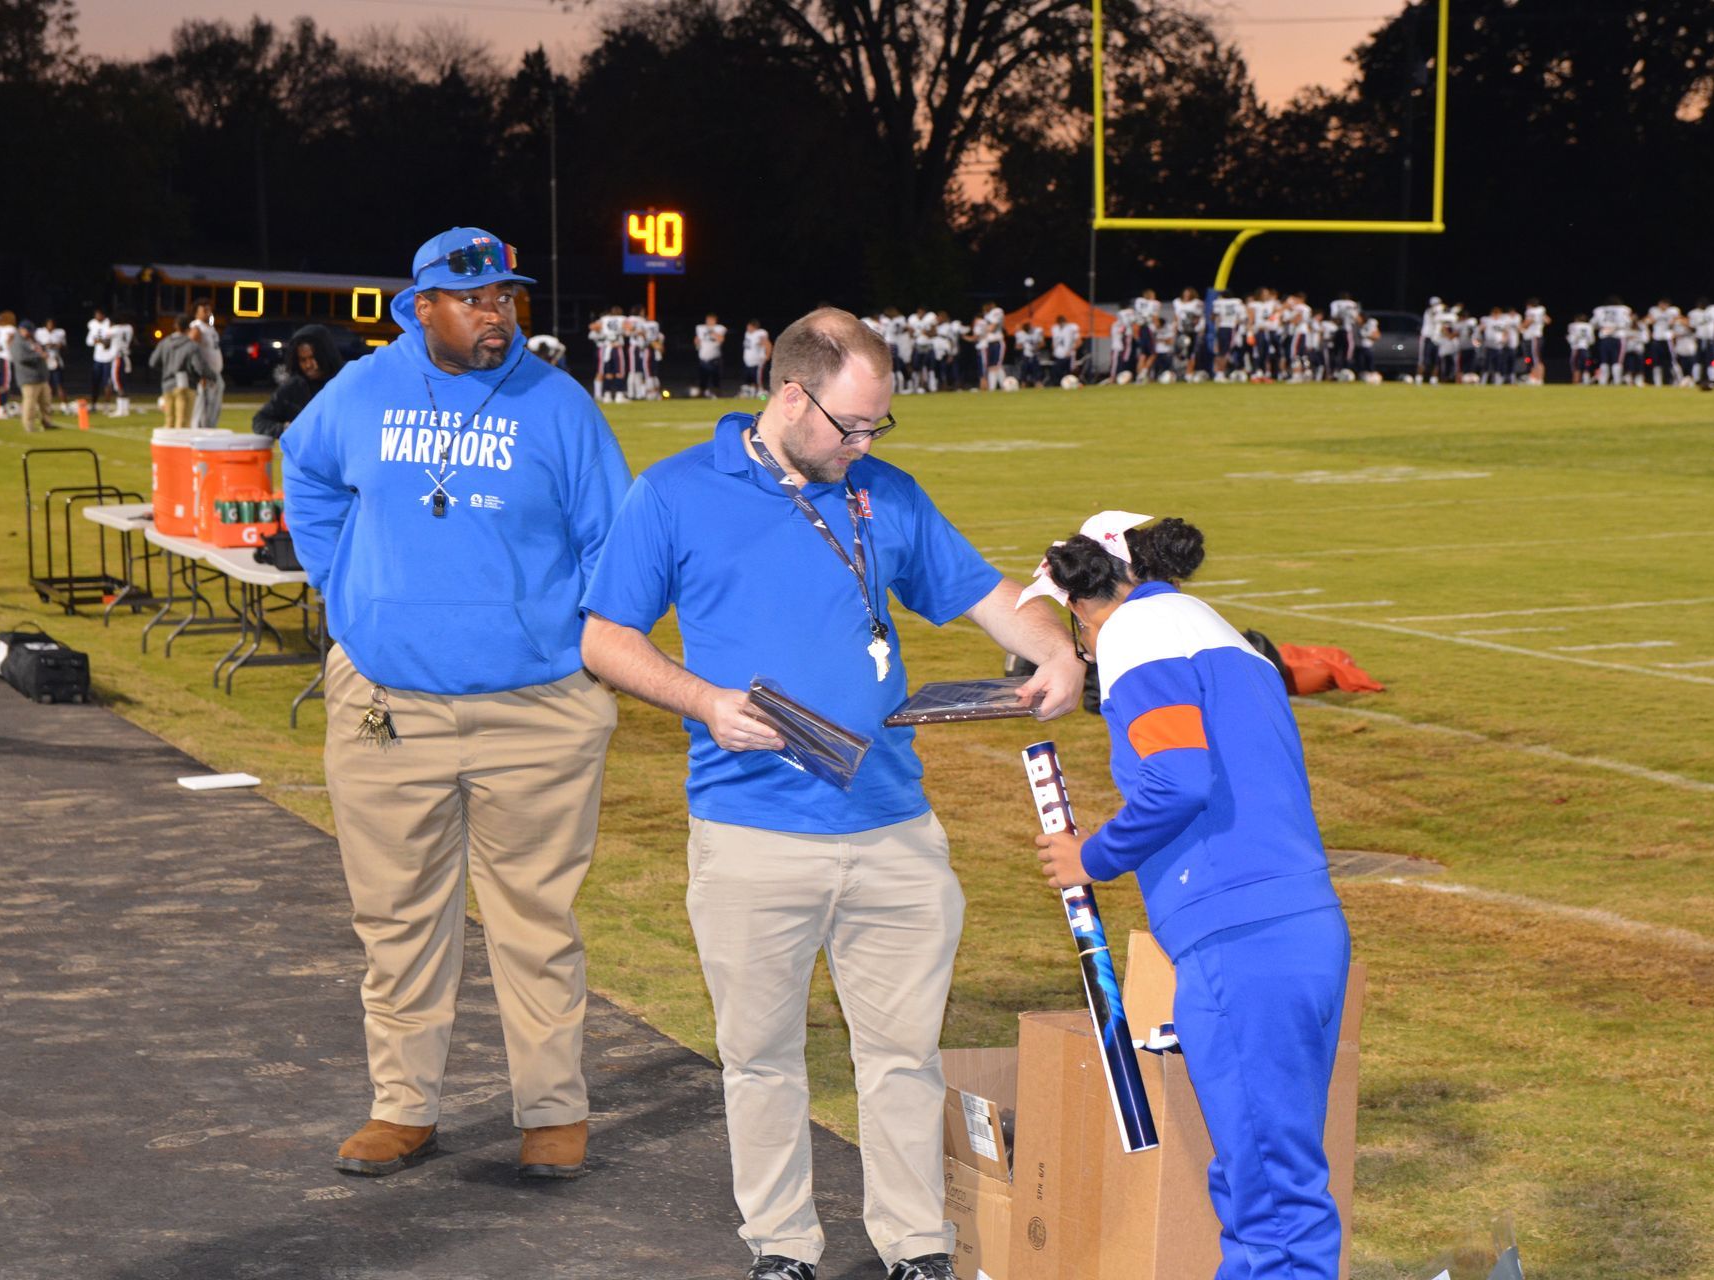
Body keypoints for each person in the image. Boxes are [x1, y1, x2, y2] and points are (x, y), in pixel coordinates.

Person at [579, 307, 1085, 1280]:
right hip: (751, 830)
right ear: (790, 394)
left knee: (904, 1055)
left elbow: (988, 595)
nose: (864, 444)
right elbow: (605, 637)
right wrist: (704, 702)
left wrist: (1054, 647)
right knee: (761, 1057)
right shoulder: (675, 492)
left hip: (895, 828)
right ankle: (781, 1247)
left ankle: (918, 1246)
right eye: (850, 425)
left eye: (877, 425)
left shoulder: (883, 491)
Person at [280, 226, 629, 1182]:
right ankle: (403, 1107)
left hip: (537, 707)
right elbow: (306, 472)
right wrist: (343, 588)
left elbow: (614, 541)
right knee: (396, 917)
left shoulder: (558, 404)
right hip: (388, 702)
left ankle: (553, 1110)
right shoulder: (361, 388)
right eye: (474, 300)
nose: (495, 314)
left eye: (505, 297)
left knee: (536, 922)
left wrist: (589, 647)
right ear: (423, 305)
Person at [1020, 511, 1351, 1280]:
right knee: (1257, 1179)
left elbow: (1177, 781)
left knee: (1272, 1202)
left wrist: (1089, 857)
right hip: (1289, 922)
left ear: (1082, 600)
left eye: (1074, 625)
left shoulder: (1137, 635)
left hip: (1240, 936)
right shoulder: (1209, 627)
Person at [251, 324, 344, 438]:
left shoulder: (344, 383)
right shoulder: (292, 388)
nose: (308, 365)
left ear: (326, 354)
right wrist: (285, 429)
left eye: (313, 357)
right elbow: (259, 421)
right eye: (303, 360)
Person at [147, 314, 203, 430]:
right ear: (188, 328)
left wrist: (167, 369)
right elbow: (198, 367)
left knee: (169, 422)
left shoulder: (165, 342)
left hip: (167, 384)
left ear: (175, 326)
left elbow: (153, 362)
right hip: (185, 385)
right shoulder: (191, 345)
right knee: (183, 423)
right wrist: (205, 376)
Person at [9, 319, 60, 432]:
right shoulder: (17, 343)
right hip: (29, 378)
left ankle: (47, 422)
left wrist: (43, 351)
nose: (30, 333)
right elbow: (21, 358)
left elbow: (39, 350)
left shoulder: (32, 340)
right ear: (21, 330)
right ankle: (29, 426)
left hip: (41, 377)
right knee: (30, 403)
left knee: (46, 402)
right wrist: (39, 356)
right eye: (29, 331)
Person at [188, 300, 225, 429]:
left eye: (209, 310)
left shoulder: (210, 327)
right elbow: (192, 352)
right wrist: (200, 373)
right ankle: (199, 431)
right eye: (204, 310)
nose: (208, 313)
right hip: (205, 374)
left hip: (215, 373)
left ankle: (210, 429)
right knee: (202, 406)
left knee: (214, 406)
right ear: (196, 313)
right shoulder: (196, 328)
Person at [696, 312, 728, 397]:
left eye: (710, 320)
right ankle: (702, 395)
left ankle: (717, 395)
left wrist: (712, 332)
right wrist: (697, 342)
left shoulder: (719, 328)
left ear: (714, 320)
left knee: (716, 380)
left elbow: (721, 339)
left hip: (714, 358)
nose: (708, 321)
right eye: (707, 320)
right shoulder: (700, 328)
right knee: (702, 380)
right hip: (703, 358)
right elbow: (697, 340)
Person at [85, 309, 113, 409]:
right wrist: (97, 341)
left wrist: (103, 341)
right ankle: (94, 404)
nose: (97, 317)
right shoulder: (92, 324)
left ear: (103, 315)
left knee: (107, 383)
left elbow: (109, 341)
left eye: (99, 315)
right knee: (95, 382)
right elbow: (88, 342)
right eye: (96, 315)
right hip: (97, 358)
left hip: (108, 358)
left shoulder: (109, 323)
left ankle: (107, 405)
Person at [36, 317, 68, 401]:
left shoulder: (60, 332)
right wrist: (44, 347)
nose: (50, 326)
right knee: (45, 385)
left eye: (52, 324)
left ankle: (64, 404)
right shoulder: (39, 332)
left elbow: (64, 347)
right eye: (49, 324)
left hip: (55, 361)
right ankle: (46, 404)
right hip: (44, 362)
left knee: (59, 384)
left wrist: (57, 345)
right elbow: (35, 346)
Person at [742, 319, 773, 398]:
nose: (747, 328)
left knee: (759, 380)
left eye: (749, 326)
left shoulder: (760, 333)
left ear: (754, 327)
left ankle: (763, 395)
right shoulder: (747, 334)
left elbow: (767, 344)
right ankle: (754, 394)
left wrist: (767, 356)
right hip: (749, 363)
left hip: (758, 362)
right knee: (752, 381)